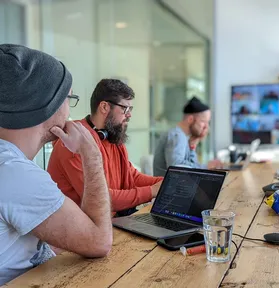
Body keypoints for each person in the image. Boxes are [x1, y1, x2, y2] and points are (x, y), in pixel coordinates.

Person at [0, 44, 113, 285]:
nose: (69, 111)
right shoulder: (14, 172)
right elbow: (100, 241)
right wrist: (91, 155)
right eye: (68, 98)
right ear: (44, 105)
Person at [47, 79, 163, 216]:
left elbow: (132, 176)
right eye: (125, 108)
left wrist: (164, 184)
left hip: (108, 223)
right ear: (104, 107)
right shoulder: (74, 143)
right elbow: (101, 198)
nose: (129, 114)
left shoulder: (111, 137)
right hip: (78, 229)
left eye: (130, 109)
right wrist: (152, 191)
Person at [153, 96, 222, 177]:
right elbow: (176, 168)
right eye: (204, 121)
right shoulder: (177, 135)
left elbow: (192, 166)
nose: (207, 127)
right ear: (190, 119)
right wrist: (205, 167)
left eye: (208, 123)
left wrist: (192, 146)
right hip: (170, 188)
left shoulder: (184, 137)